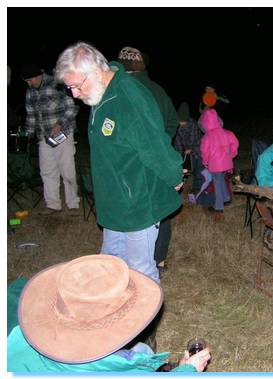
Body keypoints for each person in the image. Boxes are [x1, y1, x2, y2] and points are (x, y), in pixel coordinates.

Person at [54, 42, 184, 283]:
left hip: (137, 202)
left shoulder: (128, 97)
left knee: (140, 271)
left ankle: (146, 319)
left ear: (94, 72)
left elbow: (154, 143)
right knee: (111, 262)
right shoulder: (101, 93)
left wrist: (174, 176)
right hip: (113, 201)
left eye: (75, 85)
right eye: (70, 87)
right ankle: (117, 314)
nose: (73, 94)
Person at [7, 254, 211, 373]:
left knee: (142, 349)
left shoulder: (17, 337)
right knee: (144, 352)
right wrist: (187, 370)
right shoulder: (115, 369)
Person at [118, 46, 179, 274]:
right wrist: (163, 144)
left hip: (134, 162)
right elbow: (172, 122)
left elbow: (170, 121)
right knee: (159, 205)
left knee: (144, 205)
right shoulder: (156, 89)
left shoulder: (127, 90)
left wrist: (158, 144)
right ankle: (157, 258)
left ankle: (147, 259)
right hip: (154, 159)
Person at [20, 62, 80, 214]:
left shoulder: (57, 84)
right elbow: (31, 116)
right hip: (43, 137)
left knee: (67, 170)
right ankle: (53, 204)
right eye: (26, 81)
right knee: (47, 171)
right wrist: (27, 134)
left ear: (39, 75)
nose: (28, 83)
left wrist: (60, 123)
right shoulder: (30, 91)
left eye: (30, 80)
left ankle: (73, 203)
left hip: (63, 135)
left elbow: (72, 107)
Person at [199, 108, 239, 222]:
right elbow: (235, 142)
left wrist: (205, 162)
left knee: (217, 183)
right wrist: (231, 154)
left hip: (215, 165)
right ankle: (226, 198)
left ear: (204, 122)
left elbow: (204, 151)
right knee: (220, 180)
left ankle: (219, 207)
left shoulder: (206, 137)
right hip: (226, 163)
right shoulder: (227, 132)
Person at [174, 101, 204, 193]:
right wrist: (178, 155)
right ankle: (193, 185)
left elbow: (196, 141)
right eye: (179, 121)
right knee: (192, 168)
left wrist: (190, 149)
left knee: (199, 169)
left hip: (199, 150)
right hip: (189, 152)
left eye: (182, 122)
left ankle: (198, 187)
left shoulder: (193, 125)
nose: (181, 124)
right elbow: (177, 141)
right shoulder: (179, 127)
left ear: (186, 119)